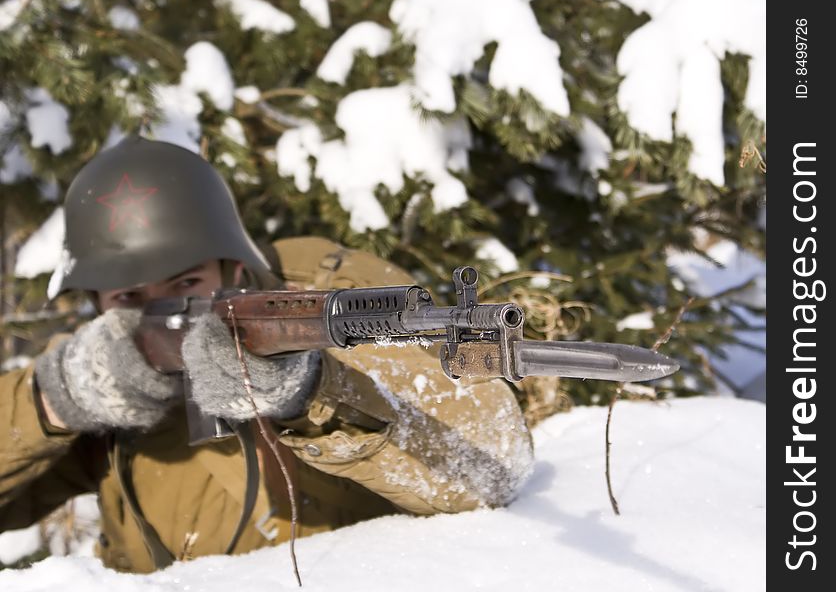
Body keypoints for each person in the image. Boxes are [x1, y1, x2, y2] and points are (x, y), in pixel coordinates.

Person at [0, 136, 534, 573]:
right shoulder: (100, 366)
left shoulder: (329, 295)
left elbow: (494, 465)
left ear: (233, 265)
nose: (162, 308)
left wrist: (313, 389)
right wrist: (53, 401)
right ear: (94, 300)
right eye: (127, 297)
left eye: (186, 279)